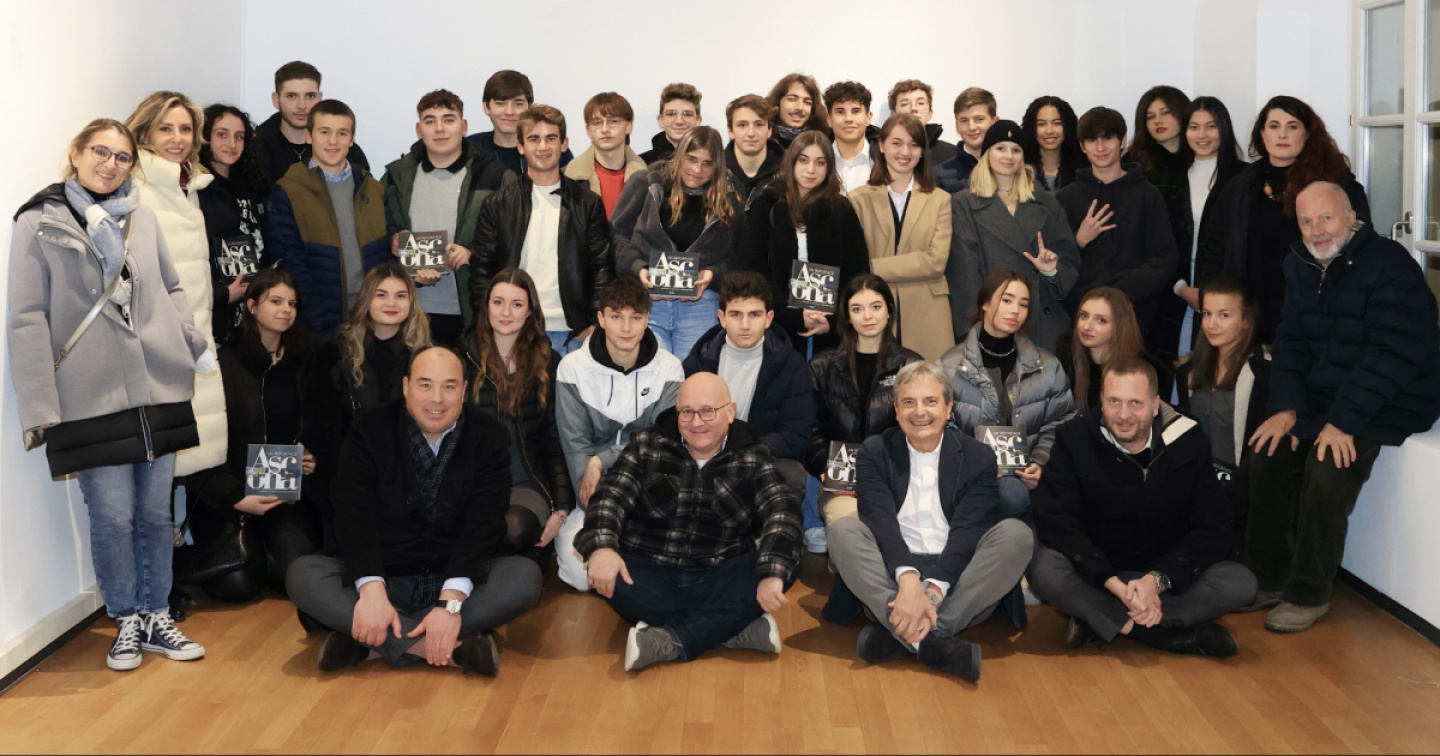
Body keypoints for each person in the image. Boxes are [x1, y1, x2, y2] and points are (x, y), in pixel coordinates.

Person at [9, 119, 211, 670]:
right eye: (100, 152)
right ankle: (125, 618)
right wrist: (40, 406)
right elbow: (27, 318)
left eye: (122, 157)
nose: (111, 164)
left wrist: (186, 340)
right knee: (113, 517)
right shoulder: (39, 221)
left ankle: (156, 616)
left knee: (156, 515)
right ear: (75, 153)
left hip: (156, 388)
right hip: (89, 396)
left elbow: (171, 285)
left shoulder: (141, 216)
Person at [1243, 181, 1440, 633]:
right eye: (1306, 221)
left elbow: (1394, 355)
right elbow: (1291, 342)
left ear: (1352, 218)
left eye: (1326, 217)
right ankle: (1268, 577)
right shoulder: (1299, 264)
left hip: (1394, 397)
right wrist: (1287, 408)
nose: (1316, 230)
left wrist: (1342, 420)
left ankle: (1309, 593)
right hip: (1330, 394)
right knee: (1267, 451)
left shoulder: (1390, 265)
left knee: (1328, 465)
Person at [286, 346, 543, 675]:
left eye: (449, 386)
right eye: (425, 385)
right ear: (406, 387)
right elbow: (353, 514)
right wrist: (372, 592)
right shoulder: (369, 429)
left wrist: (450, 605)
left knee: (524, 578)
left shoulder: (489, 436)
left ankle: (371, 642)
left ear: (464, 391)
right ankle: (448, 649)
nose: (437, 398)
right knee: (303, 574)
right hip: (386, 576)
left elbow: (484, 523)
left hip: (452, 575)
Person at [1028, 358, 1256, 658]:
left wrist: (1156, 581)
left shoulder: (1189, 442)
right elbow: (1055, 519)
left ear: (1155, 405)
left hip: (1163, 576)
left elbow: (1213, 527)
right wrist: (1110, 582)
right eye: (1114, 401)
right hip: (1099, 575)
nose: (1123, 415)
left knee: (1240, 583)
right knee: (1044, 568)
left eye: (1135, 403)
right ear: (1101, 400)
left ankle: (1098, 618)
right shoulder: (1075, 438)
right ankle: (1162, 636)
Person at [575, 373, 803, 672]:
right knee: (606, 569)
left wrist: (772, 572)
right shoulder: (646, 444)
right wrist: (603, 547)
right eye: (687, 412)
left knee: (782, 564)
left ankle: (671, 639)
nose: (696, 422)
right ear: (677, 412)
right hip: (651, 571)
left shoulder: (755, 455)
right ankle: (729, 628)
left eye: (708, 411)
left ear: (730, 412)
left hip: (720, 572)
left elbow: (782, 511)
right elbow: (610, 496)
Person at [830, 361, 1033, 680]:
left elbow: (968, 532)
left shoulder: (979, 457)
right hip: (891, 581)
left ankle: (904, 637)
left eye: (930, 401)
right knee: (843, 529)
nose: (919, 412)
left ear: (949, 408)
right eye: (908, 402)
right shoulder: (875, 451)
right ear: (897, 410)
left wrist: (932, 592)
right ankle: (935, 643)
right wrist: (909, 582)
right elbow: (880, 523)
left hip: (957, 581)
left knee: (1016, 534)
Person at [182, 268, 320, 602]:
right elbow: (197, 447)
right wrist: (235, 496)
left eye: (292, 304)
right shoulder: (222, 363)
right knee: (237, 586)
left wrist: (312, 456)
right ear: (252, 306)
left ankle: (265, 553)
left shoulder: (305, 361)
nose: (286, 310)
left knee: (296, 575)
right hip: (228, 495)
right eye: (276, 301)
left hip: (282, 493)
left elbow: (320, 424)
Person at [1196, 96, 1371, 344]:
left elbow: (1361, 243)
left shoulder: (1336, 182)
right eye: (1274, 126)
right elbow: (1214, 248)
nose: (1282, 135)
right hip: (1252, 312)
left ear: (1307, 134)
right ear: (1262, 134)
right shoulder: (1239, 186)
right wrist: (1212, 298)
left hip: (1318, 310)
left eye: (1292, 126)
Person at [553, 278, 685, 590]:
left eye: (636, 317)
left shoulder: (670, 368)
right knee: (582, 578)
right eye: (616, 316)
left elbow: (660, 442)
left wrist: (602, 459)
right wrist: (597, 506)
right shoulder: (572, 368)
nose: (626, 328)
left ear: (647, 319)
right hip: (591, 493)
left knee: (659, 566)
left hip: (646, 487)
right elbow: (575, 445)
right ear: (601, 318)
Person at [126, 91, 227, 478]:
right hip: (158, 342)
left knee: (182, 459)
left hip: (194, 334)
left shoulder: (188, 185)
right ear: (145, 132)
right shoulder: (137, 187)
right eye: (165, 129)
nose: (177, 138)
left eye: (185, 129)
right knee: (157, 467)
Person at [469, 104, 612, 357]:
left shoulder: (587, 203)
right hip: (514, 332)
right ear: (520, 146)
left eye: (551, 138)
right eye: (534, 139)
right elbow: (482, 272)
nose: (543, 147)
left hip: (574, 335)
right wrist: (490, 326)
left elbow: (602, 267)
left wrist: (593, 325)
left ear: (564, 144)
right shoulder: (498, 204)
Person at [305, 263, 431, 543]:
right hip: (348, 474)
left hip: (410, 477)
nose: (391, 303)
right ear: (365, 300)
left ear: (411, 302)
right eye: (381, 294)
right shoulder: (335, 351)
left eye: (400, 296)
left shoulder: (426, 354)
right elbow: (323, 428)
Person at [940, 270, 1075, 524]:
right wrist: (974, 465)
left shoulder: (1047, 366)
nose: (1015, 310)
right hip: (967, 479)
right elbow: (942, 427)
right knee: (1008, 494)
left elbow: (1061, 423)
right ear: (985, 303)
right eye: (1007, 300)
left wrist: (1039, 463)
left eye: (1023, 304)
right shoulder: (949, 366)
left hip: (1027, 481)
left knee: (1014, 493)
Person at [382, 89, 512, 347]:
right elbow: (376, 231)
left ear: (464, 127)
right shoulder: (396, 178)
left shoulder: (496, 177)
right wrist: (392, 238)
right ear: (419, 130)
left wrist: (473, 253)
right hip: (411, 314)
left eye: (448, 119)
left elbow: (512, 242)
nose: (439, 128)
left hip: (474, 311)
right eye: (430, 121)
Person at [1055, 106, 1179, 375]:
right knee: (1084, 390)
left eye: (1108, 138)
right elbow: (1055, 264)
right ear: (1082, 146)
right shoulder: (1066, 198)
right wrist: (1078, 241)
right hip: (1080, 319)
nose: (1100, 147)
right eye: (1091, 140)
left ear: (1123, 141)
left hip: (1134, 315)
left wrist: (1120, 297)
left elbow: (1164, 258)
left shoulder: (1147, 195)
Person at [461, 268, 575, 556]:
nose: (505, 312)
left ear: (530, 311)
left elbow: (554, 438)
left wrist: (562, 506)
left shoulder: (548, 361)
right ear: (486, 306)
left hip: (527, 482)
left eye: (517, 304)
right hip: (475, 482)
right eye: (498, 302)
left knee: (514, 527)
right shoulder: (462, 357)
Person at [809, 275, 923, 548]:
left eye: (876, 307)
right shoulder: (821, 366)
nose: (868, 316)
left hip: (897, 479)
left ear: (889, 311)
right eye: (857, 309)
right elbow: (810, 431)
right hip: (840, 484)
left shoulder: (911, 365)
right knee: (853, 528)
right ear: (847, 316)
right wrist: (826, 468)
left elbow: (923, 431)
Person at [947, 119, 1080, 353]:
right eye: (1001, 148)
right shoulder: (964, 204)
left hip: (1043, 324)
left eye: (1016, 150)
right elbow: (965, 276)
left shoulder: (1045, 202)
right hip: (991, 324)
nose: (1009, 156)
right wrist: (976, 329)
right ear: (987, 154)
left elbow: (1068, 261)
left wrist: (1050, 271)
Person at [612, 126, 743, 360]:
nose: (697, 170)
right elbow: (617, 235)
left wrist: (713, 274)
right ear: (679, 155)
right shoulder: (646, 181)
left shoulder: (731, 193)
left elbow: (738, 252)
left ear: (717, 166)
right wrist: (638, 268)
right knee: (652, 376)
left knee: (695, 377)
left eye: (707, 163)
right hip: (647, 302)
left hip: (701, 304)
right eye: (691, 159)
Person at [268, 99, 390, 342]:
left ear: (352, 139)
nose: (333, 141)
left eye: (342, 133)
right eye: (324, 132)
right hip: (315, 324)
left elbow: (386, 256)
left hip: (370, 319)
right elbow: (292, 265)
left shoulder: (374, 190)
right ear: (309, 136)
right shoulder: (287, 191)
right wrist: (319, 329)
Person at [681, 271, 814, 494]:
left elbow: (796, 435)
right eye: (735, 315)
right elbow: (678, 420)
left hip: (759, 458)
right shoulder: (698, 360)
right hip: (704, 454)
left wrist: (742, 451)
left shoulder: (792, 365)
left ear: (768, 318)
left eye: (754, 315)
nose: (745, 325)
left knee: (791, 475)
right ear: (721, 317)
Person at [739, 131, 869, 356]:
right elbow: (753, 270)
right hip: (778, 325)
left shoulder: (841, 208)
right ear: (791, 162)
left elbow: (857, 273)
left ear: (829, 167)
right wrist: (791, 315)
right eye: (803, 160)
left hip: (831, 329)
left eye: (820, 163)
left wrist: (834, 320)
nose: (811, 170)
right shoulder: (767, 205)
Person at [849, 113, 955, 360]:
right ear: (881, 145)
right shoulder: (857, 200)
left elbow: (935, 262)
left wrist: (873, 266)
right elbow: (855, 261)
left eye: (914, 145)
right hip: (874, 313)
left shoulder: (940, 199)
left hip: (928, 315)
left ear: (922, 151)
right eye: (896, 143)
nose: (905, 152)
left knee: (929, 382)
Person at [1174, 276, 1269, 513]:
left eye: (1224, 315)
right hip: (1197, 493)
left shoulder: (1264, 374)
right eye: (1207, 314)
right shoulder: (1187, 373)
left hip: (1246, 499)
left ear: (1246, 320)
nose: (1212, 324)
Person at [1167, 97, 1248, 360]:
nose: (1201, 135)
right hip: (1176, 285)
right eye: (1194, 127)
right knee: (1178, 362)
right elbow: (1159, 238)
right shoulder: (1169, 177)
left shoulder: (1244, 178)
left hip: (1225, 283)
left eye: (1211, 126)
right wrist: (1181, 288)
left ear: (1224, 129)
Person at [1123, 86, 1194, 382]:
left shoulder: (1200, 163)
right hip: (1149, 278)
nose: (1158, 121)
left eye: (1165, 112)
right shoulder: (1134, 167)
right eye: (1150, 116)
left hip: (1192, 273)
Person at [198, 104, 270, 346]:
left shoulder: (250, 187)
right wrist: (224, 294)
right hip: (214, 313)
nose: (232, 143)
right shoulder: (197, 190)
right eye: (222, 134)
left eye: (239, 136)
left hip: (249, 311)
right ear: (204, 137)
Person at [254, 61, 371, 185]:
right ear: (276, 100)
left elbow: (367, 193)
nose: (302, 105)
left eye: (310, 96)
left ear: (320, 98)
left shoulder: (344, 149)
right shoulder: (256, 148)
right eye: (291, 96)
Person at [1057, 287, 1166, 413]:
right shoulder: (1066, 355)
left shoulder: (1142, 371)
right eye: (1084, 316)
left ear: (1120, 326)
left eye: (1101, 320)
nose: (1087, 326)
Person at [466, 69, 573, 174]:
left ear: (529, 107)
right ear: (486, 107)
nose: (509, 112)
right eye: (500, 103)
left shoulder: (553, 152)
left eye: (518, 104)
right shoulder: (469, 149)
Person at [565, 92, 647, 219]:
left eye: (614, 121)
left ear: (628, 127)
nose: (604, 129)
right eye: (597, 123)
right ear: (588, 131)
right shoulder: (571, 178)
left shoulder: (645, 177)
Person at [934, 87, 996, 193]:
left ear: (994, 122)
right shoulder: (939, 175)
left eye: (979, 119)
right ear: (957, 126)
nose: (971, 127)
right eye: (964, 121)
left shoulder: (1011, 168)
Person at [724, 94, 782, 203]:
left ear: (769, 130)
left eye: (759, 125)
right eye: (742, 125)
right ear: (730, 131)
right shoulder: (713, 172)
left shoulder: (788, 172)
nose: (751, 133)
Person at [1020, 95, 1084, 193]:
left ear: (1068, 126)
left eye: (1057, 123)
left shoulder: (1082, 171)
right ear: (1031, 128)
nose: (1049, 131)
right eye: (1041, 124)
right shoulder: (1019, 171)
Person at [823, 81, 877, 193]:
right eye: (840, 112)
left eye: (856, 111)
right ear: (829, 119)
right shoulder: (817, 161)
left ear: (868, 118)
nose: (848, 119)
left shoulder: (885, 161)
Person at [888, 78, 956, 165]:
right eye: (905, 104)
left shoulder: (950, 155)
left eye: (920, 103)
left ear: (930, 113)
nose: (914, 108)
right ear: (893, 114)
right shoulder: (884, 153)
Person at [640, 83, 703, 165]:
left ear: (698, 121)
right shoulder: (642, 164)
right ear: (660, 120)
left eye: (687, 114)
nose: (679, 121)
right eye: (671, 114)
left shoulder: (713, 162)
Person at [766, 73, 827, 151]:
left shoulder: (824, 142)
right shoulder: (762, 139)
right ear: (778, 102)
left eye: (807, 102)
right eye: (792, 99)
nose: (800, 107)